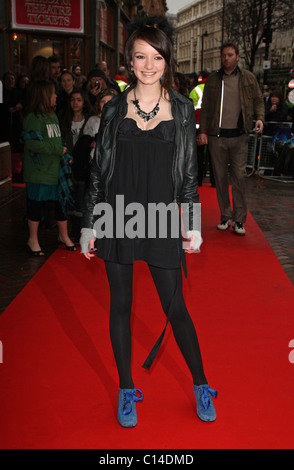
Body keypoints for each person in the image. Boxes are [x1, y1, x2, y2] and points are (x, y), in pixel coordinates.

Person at [80, 16, 217, 428]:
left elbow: (190, 176)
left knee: (176, 308)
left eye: (156, 56)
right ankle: (126, 388)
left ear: (167, 59)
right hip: (117, 215)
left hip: (159, 218)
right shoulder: (114, 109)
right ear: (130, 60)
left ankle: (200, 383)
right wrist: (89, 223)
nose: (148, 65)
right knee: (120, 305)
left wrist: (191, 223)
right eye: (140, 56)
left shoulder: (179, 107)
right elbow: (99, 173)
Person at [198, 43, 264, 236]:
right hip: (217, 137)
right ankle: (225, 216)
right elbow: (206, 108)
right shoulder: (212, 80)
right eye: (223, 55)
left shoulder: (248, 78)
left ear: (237, 56)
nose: (226, 58)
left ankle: (239, 219)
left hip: (240, 136)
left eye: (229, 55)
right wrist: (202, 131)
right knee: (219, 179)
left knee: (239, 179)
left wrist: (259, 117)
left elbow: (258, 100)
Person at [22, 79, 76, 256]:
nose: (55, 96)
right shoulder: (33, 118)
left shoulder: (52, 116)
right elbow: (32, 144)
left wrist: (65, 155)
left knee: (61, 204)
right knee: (36, 206)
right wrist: (57, 150)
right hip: (39, 173)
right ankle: (33, 239)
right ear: (44, 96)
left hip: (55, 171)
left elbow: (58, 140)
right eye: (52, 93)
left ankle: (63, 235)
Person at [58, 88, 94, 243]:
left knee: (81, 196)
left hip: (82, 163)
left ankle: (80, 228)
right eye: (73, 99)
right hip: (66, 161)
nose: (75, 103)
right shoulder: (64, 119)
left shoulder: (89, 120)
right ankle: (70, 229)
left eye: (79, 100)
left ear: (84, 102)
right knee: (69, 196)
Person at [189, 69, 215, 187]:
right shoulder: (217, 90)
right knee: (214, 157)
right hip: (213, 128)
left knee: (198, 156)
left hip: (197, 128)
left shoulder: (195, 90)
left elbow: (190, 110)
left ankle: (198, 180)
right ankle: (214, 182)